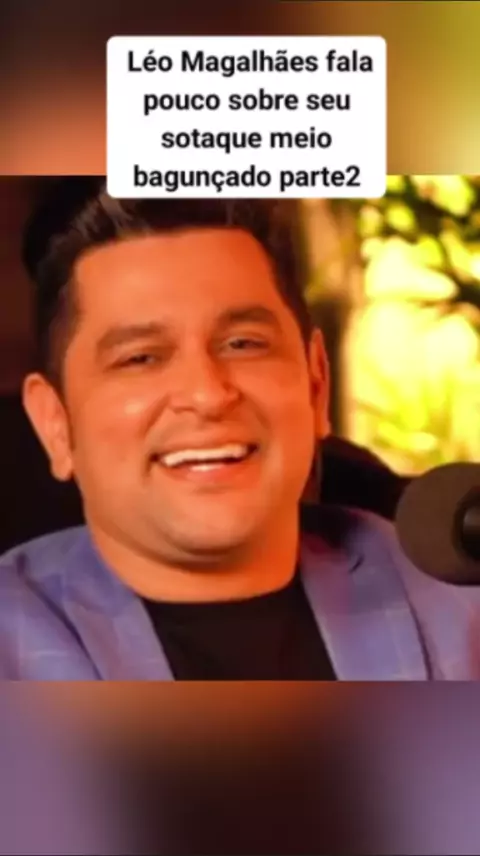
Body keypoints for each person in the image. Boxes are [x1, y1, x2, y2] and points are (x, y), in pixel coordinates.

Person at [0, 178, 478, 681]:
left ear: (316, 385)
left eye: (243, 344)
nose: (208, 394)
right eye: (141, 358)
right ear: (55, 424)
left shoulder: (450, 598)